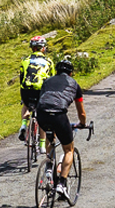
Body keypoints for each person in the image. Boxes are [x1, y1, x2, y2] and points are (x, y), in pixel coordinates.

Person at [36, 59, 87, 202]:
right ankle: (62, 184)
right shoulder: (74, 84)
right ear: (71, 73)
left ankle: (48, 166)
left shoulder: (47, 81)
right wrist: (82, 124)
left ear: (57, 71)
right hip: (58, 115)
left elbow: (43, 99)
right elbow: (81, 113)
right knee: (69, 149)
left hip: (42, 113)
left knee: (50, 137)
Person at [18, 36, 54, 151]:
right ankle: (42, 145)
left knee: (26, 105)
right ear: (43, 48)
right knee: (42, 115)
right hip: (41, 90)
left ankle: (24, 124)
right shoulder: (48, 61)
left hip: (26, 89)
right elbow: (51, 80)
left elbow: (21, 76)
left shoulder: (25, 60)